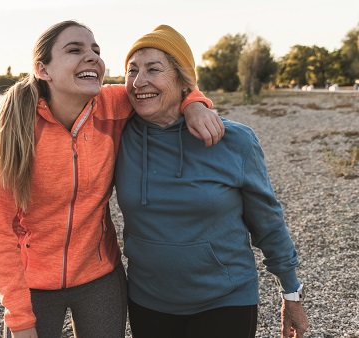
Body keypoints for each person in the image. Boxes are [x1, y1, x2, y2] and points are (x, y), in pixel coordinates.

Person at [0, 21, 223, 338]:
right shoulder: (18, 131)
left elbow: (168, 88)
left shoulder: (114, 105)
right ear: (43, 69)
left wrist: (195, 106)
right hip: (33, 284)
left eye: (96, 50)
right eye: (75, 50)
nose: (92, 56)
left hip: (101, 277)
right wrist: (20, 320)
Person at [114, 24, 310, 338]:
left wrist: (291, 294)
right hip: (148, 301)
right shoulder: (118, 135)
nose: (139, 82)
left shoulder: (235, 141)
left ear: (182, 80)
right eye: (131, 70)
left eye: (153, 69)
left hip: (225, 300)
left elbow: (268, 222)